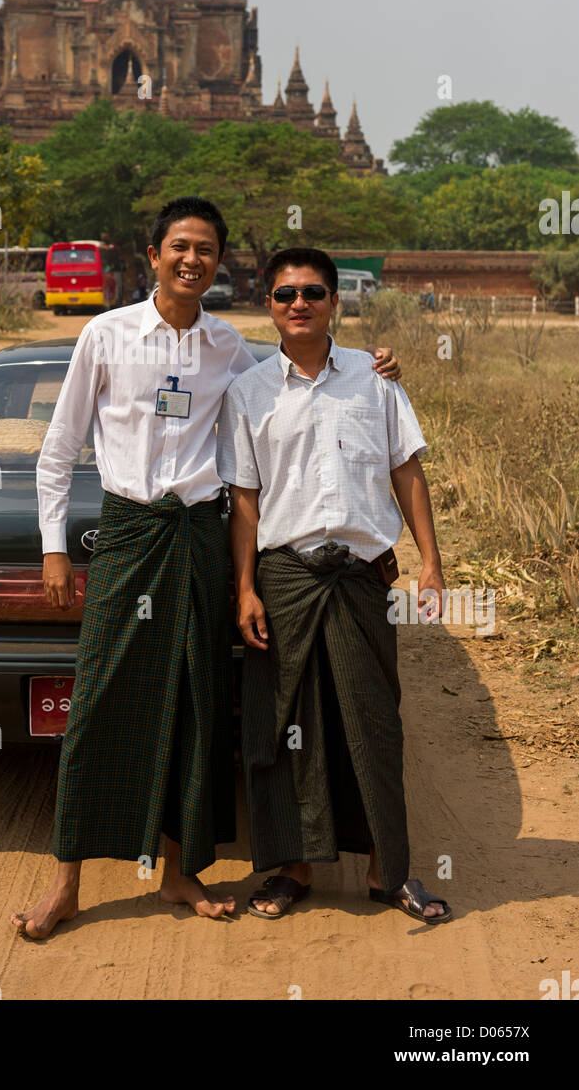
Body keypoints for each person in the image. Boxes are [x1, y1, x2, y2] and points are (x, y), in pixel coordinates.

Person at [10, 207, 400, 939]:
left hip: (200, 535)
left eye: (206, 251)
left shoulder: (229, 347)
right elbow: (59, 448)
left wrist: (369, 363)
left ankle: (178, 873)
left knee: (193, 704)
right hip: (129, 532)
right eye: (180, 248)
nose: (192, 260)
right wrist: (53, 548)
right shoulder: (105, 334)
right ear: (152, 254)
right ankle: (65, 881)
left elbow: (298, 373)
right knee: (97, 703)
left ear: (218, 263)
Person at [217, 246, 452, 926]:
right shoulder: (249, 392)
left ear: (333, 303)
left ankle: (388, 871)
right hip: (285, 577)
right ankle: (291, 867)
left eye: (312, 292)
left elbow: (406, 471)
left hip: (357, 576)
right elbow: (245, 501)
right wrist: (244, 588)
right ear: (268, 304)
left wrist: (430, 563)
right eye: (285, 293)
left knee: (373, 723)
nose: (299, 303)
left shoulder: (374, 380)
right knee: (282, 724)